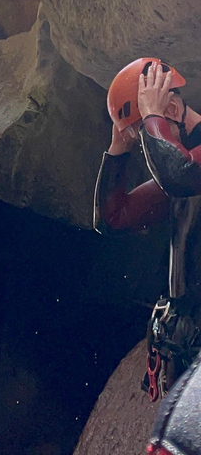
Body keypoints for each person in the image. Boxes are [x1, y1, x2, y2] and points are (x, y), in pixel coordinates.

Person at [94, 57, 201, 402]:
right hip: (187, 335)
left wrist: (151, 117)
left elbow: (180, 174)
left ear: (170, 106)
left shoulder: (185, 172)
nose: (146, 147)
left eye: (144, 137)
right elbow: (112, 219)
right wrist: (118, 150)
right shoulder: (181, 177)